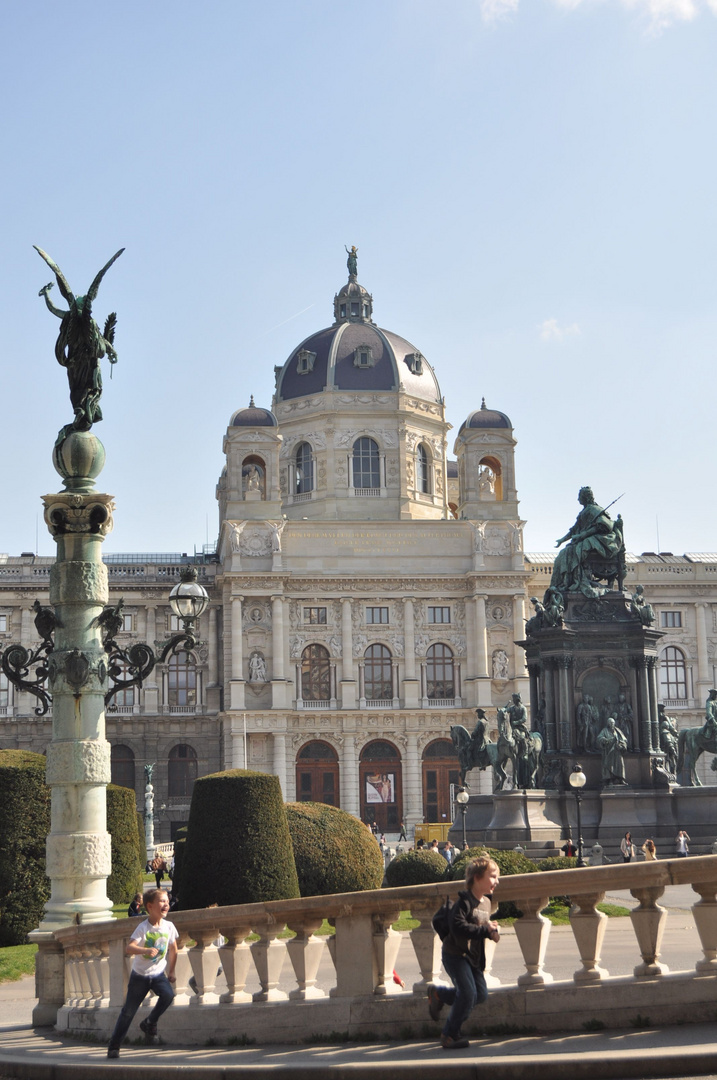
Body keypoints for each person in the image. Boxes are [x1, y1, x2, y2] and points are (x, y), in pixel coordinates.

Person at [427, 856, 501, 1050]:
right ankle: (450, 1034)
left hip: (472, 957)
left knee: (481, 995)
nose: (497, 881)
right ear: (477, 878)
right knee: (468, 994)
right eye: (492, 876)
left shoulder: (486, 902)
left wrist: (491, 929)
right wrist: (485, 931)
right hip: (455, 955)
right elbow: (458, 927)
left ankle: (439, 995)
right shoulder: (464, 902)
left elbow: (480, 924)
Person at [107, 888, 177, 1059]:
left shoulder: (169, 926)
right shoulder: (143, 927)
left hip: (158, 974)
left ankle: (149, 1022)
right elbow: (129, 947)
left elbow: (174, 950)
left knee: (168, 995)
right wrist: (144, 949)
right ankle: (114, 1046)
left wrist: (172, 970)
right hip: (140, 976)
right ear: (150, 906)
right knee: (128, 1012)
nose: (166, 904)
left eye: (167, 901)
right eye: (162, 901)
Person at [596, 718, 628, 786]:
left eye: (613, 722)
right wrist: (606, 740)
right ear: (608, 724)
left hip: (617, 751)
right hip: (608, 751)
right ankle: (610, 779)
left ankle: (621, 779)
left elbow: (624, 739)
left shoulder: (618, 731)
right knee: (609, 765)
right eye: (610, 723)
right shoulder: (605, 731)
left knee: (620, 765)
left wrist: (621, 745)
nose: (612, 724)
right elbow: (599, 738)